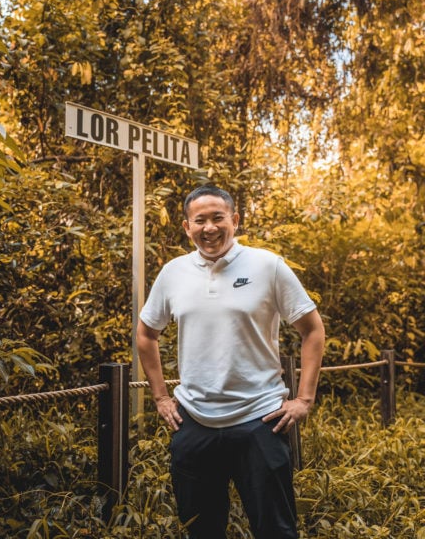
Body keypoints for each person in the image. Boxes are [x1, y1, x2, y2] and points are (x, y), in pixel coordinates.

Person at [137, 185, 325, 539]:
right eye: (200, 220)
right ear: (187, 227)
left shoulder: (267, 265)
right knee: (201, 529)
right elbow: (146, 334)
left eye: (218, 218)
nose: (209, 228)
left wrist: (303, 399)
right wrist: (161, 397)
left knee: (275, 530)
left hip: (261, 420)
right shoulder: (173, 272)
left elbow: (312, 330)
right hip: (193, 422)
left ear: (234, 220)